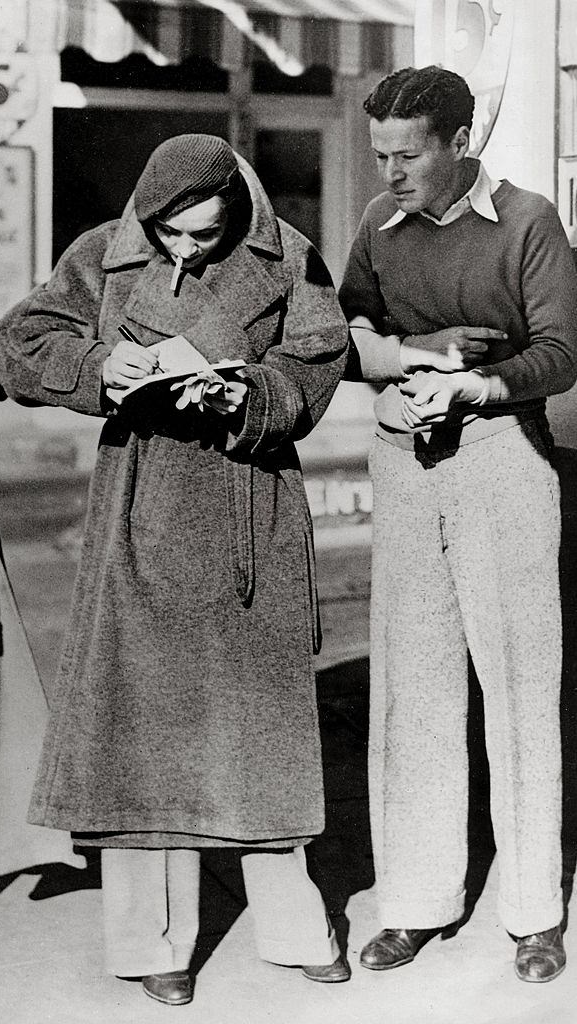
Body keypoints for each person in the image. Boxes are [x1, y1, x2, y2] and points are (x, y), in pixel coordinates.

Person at [0, 133, 350, 1006]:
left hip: (246, 504)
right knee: (142, 724)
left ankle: (295, 928)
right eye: (172, 235)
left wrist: (246, 393)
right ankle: (153, 945)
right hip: (142, 500)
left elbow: (317, 362)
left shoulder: (291, 258)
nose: (186, 250)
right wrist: (105, 365)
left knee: (261, 721)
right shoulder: (104, 255)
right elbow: (18, 341)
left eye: (206, 235)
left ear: (237, 210)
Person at [339, 65, 577, 983]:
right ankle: (414, 901)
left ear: (456, 144)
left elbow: (561, 352)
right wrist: (411, 359)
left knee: (519, 688)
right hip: (404, 464)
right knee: (414, 686)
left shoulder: (525, 221)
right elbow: (345, 330)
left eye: (406, 155)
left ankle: (530, 911)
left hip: (501, 465)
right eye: (380, 156)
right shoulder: (376, 226)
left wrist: (476, 383)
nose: (389, 173)